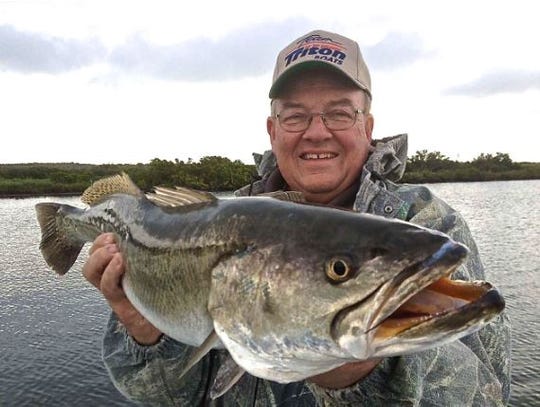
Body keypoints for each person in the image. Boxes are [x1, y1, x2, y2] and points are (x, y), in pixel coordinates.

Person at [83, 30, 511, 406]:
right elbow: (170, 397)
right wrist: (145, 330)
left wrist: (361, 372)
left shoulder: (429, 226)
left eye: (340, 113)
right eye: (295, 115)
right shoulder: (212, 223)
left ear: (368, 126)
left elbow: (490, 395)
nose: (317, 131)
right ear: (273, 130)